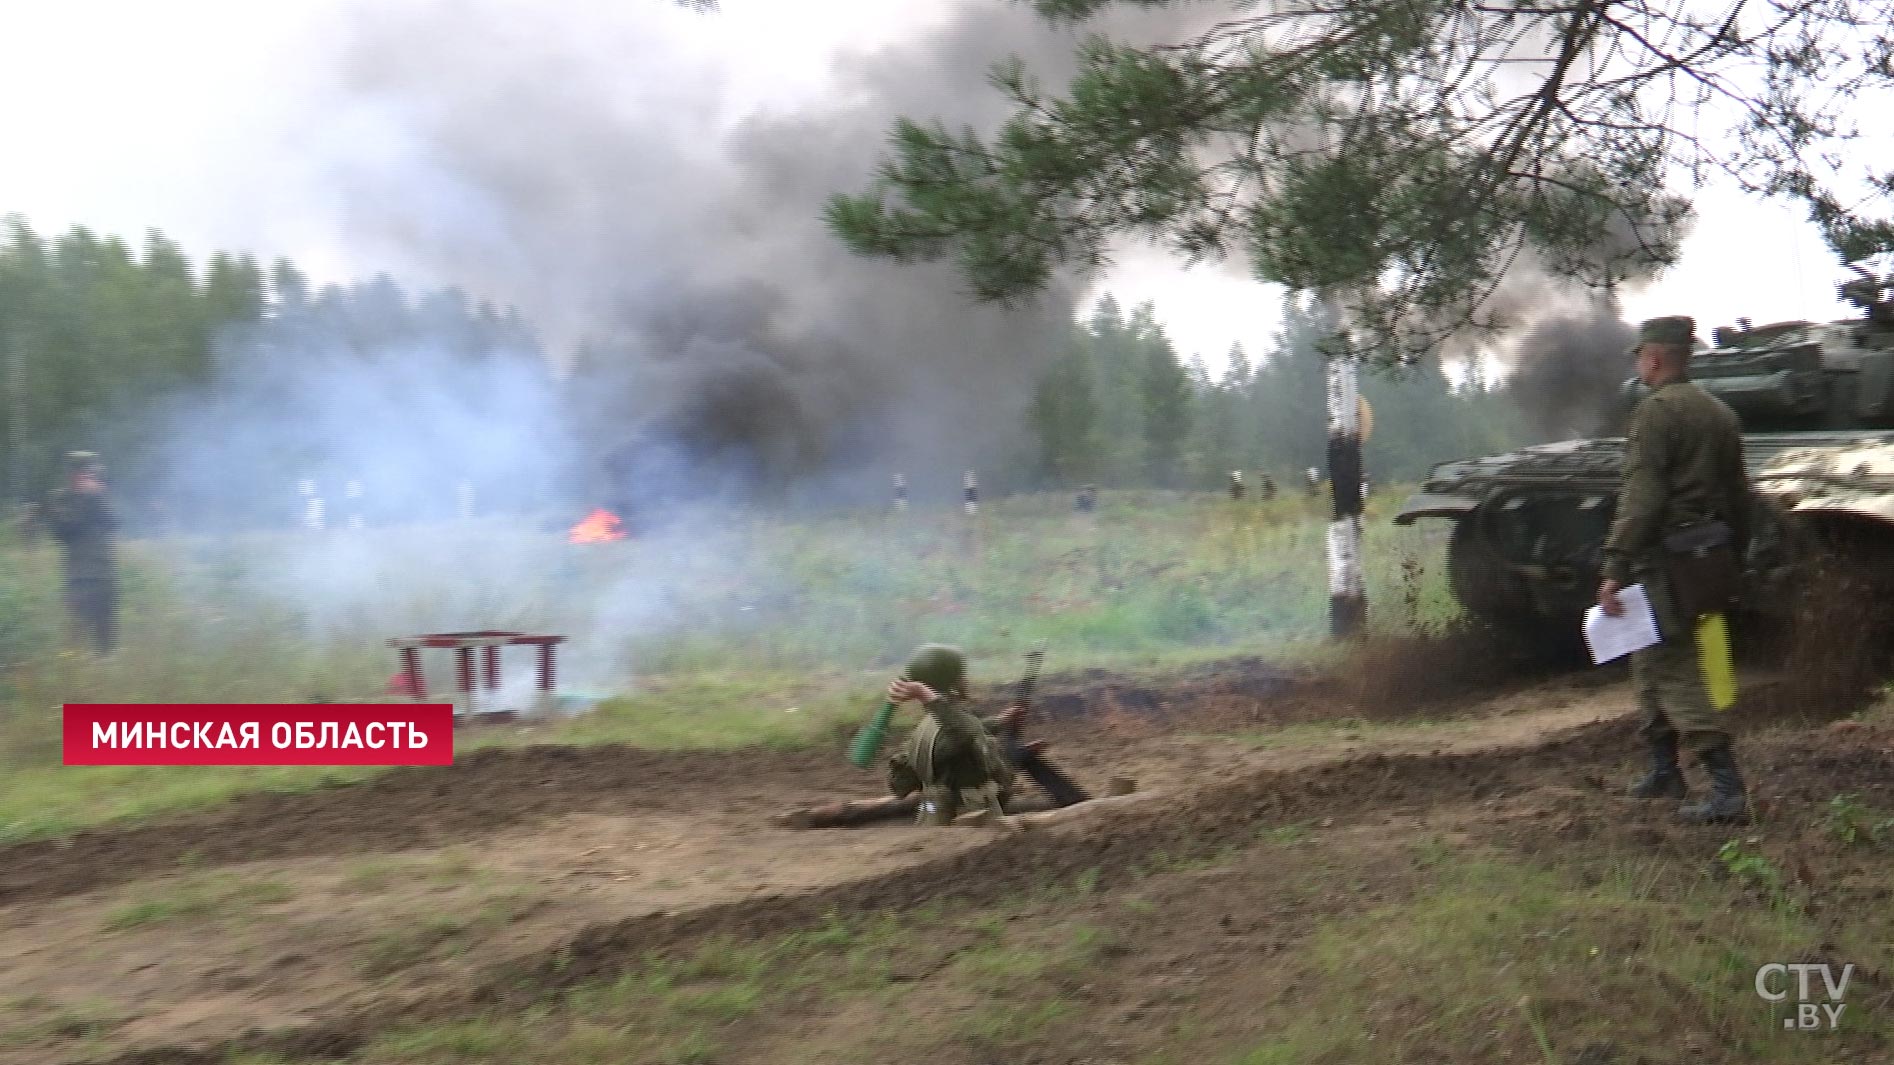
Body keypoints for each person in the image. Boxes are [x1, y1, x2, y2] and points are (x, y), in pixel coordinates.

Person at [1596, 316, 1752, 824]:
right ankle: (1665, 770)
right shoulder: (1720, 412)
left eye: (1641, 355)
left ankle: (1727, 790)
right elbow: (1739, 495)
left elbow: (1642, 497)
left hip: (1664, 557)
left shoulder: (1656, 413)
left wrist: (1615, 563)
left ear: (1655, 358)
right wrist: (1736, 554)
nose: (1639, 364)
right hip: (1708, 553)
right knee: (1647, 660)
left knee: (1675, 667)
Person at [883, 644, 1020, 825]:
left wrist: (999, 721)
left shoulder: (932, 722)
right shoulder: (948, 722)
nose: (965, 679)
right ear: (953, 680)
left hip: (933, 809)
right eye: (961, 674)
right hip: (968, 814)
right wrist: (926, 696)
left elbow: (968, 730)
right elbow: (963, 735)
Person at [40, 451, 120, 655]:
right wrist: (86, 499)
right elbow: (64, 530)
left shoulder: (99, 496)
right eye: (84, 472)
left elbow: (114, 523)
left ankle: (105, 671)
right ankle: (75, 678)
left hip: (104, 573)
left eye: (91, 472)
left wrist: (98, 498)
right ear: (73, 473)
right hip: (78, 576)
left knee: (105, 636)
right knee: (76, 635)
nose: (88, 476)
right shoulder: (61, 498)